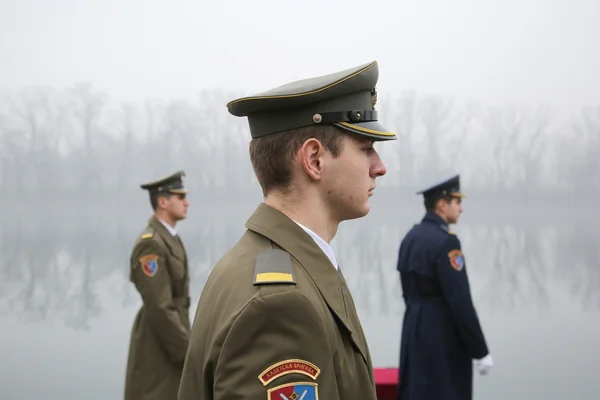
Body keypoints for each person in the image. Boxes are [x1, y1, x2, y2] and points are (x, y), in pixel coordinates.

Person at [177, 61, 397, 400]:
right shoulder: (280, 305)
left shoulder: (254, 261)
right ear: (314, 159)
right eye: (366, 148)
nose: (379, 167)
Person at [395, 174, 493, 400]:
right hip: (442, 335)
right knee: (445, 390)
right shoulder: (447, 242)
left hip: (413, 327)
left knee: (416, 390)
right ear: (442, 204)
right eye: (457, 202)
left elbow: (406, 291)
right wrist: (480, 351)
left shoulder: (411, 237)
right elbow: (460, 301)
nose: (461, 209)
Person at [124, 170, 192, 400]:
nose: (187, 203)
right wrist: (187, 352)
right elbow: (159, 305)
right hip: (160, 339)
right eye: (180, 198)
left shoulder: (168, 237)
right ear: (162, 201)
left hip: (174, 331)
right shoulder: (151, 245)